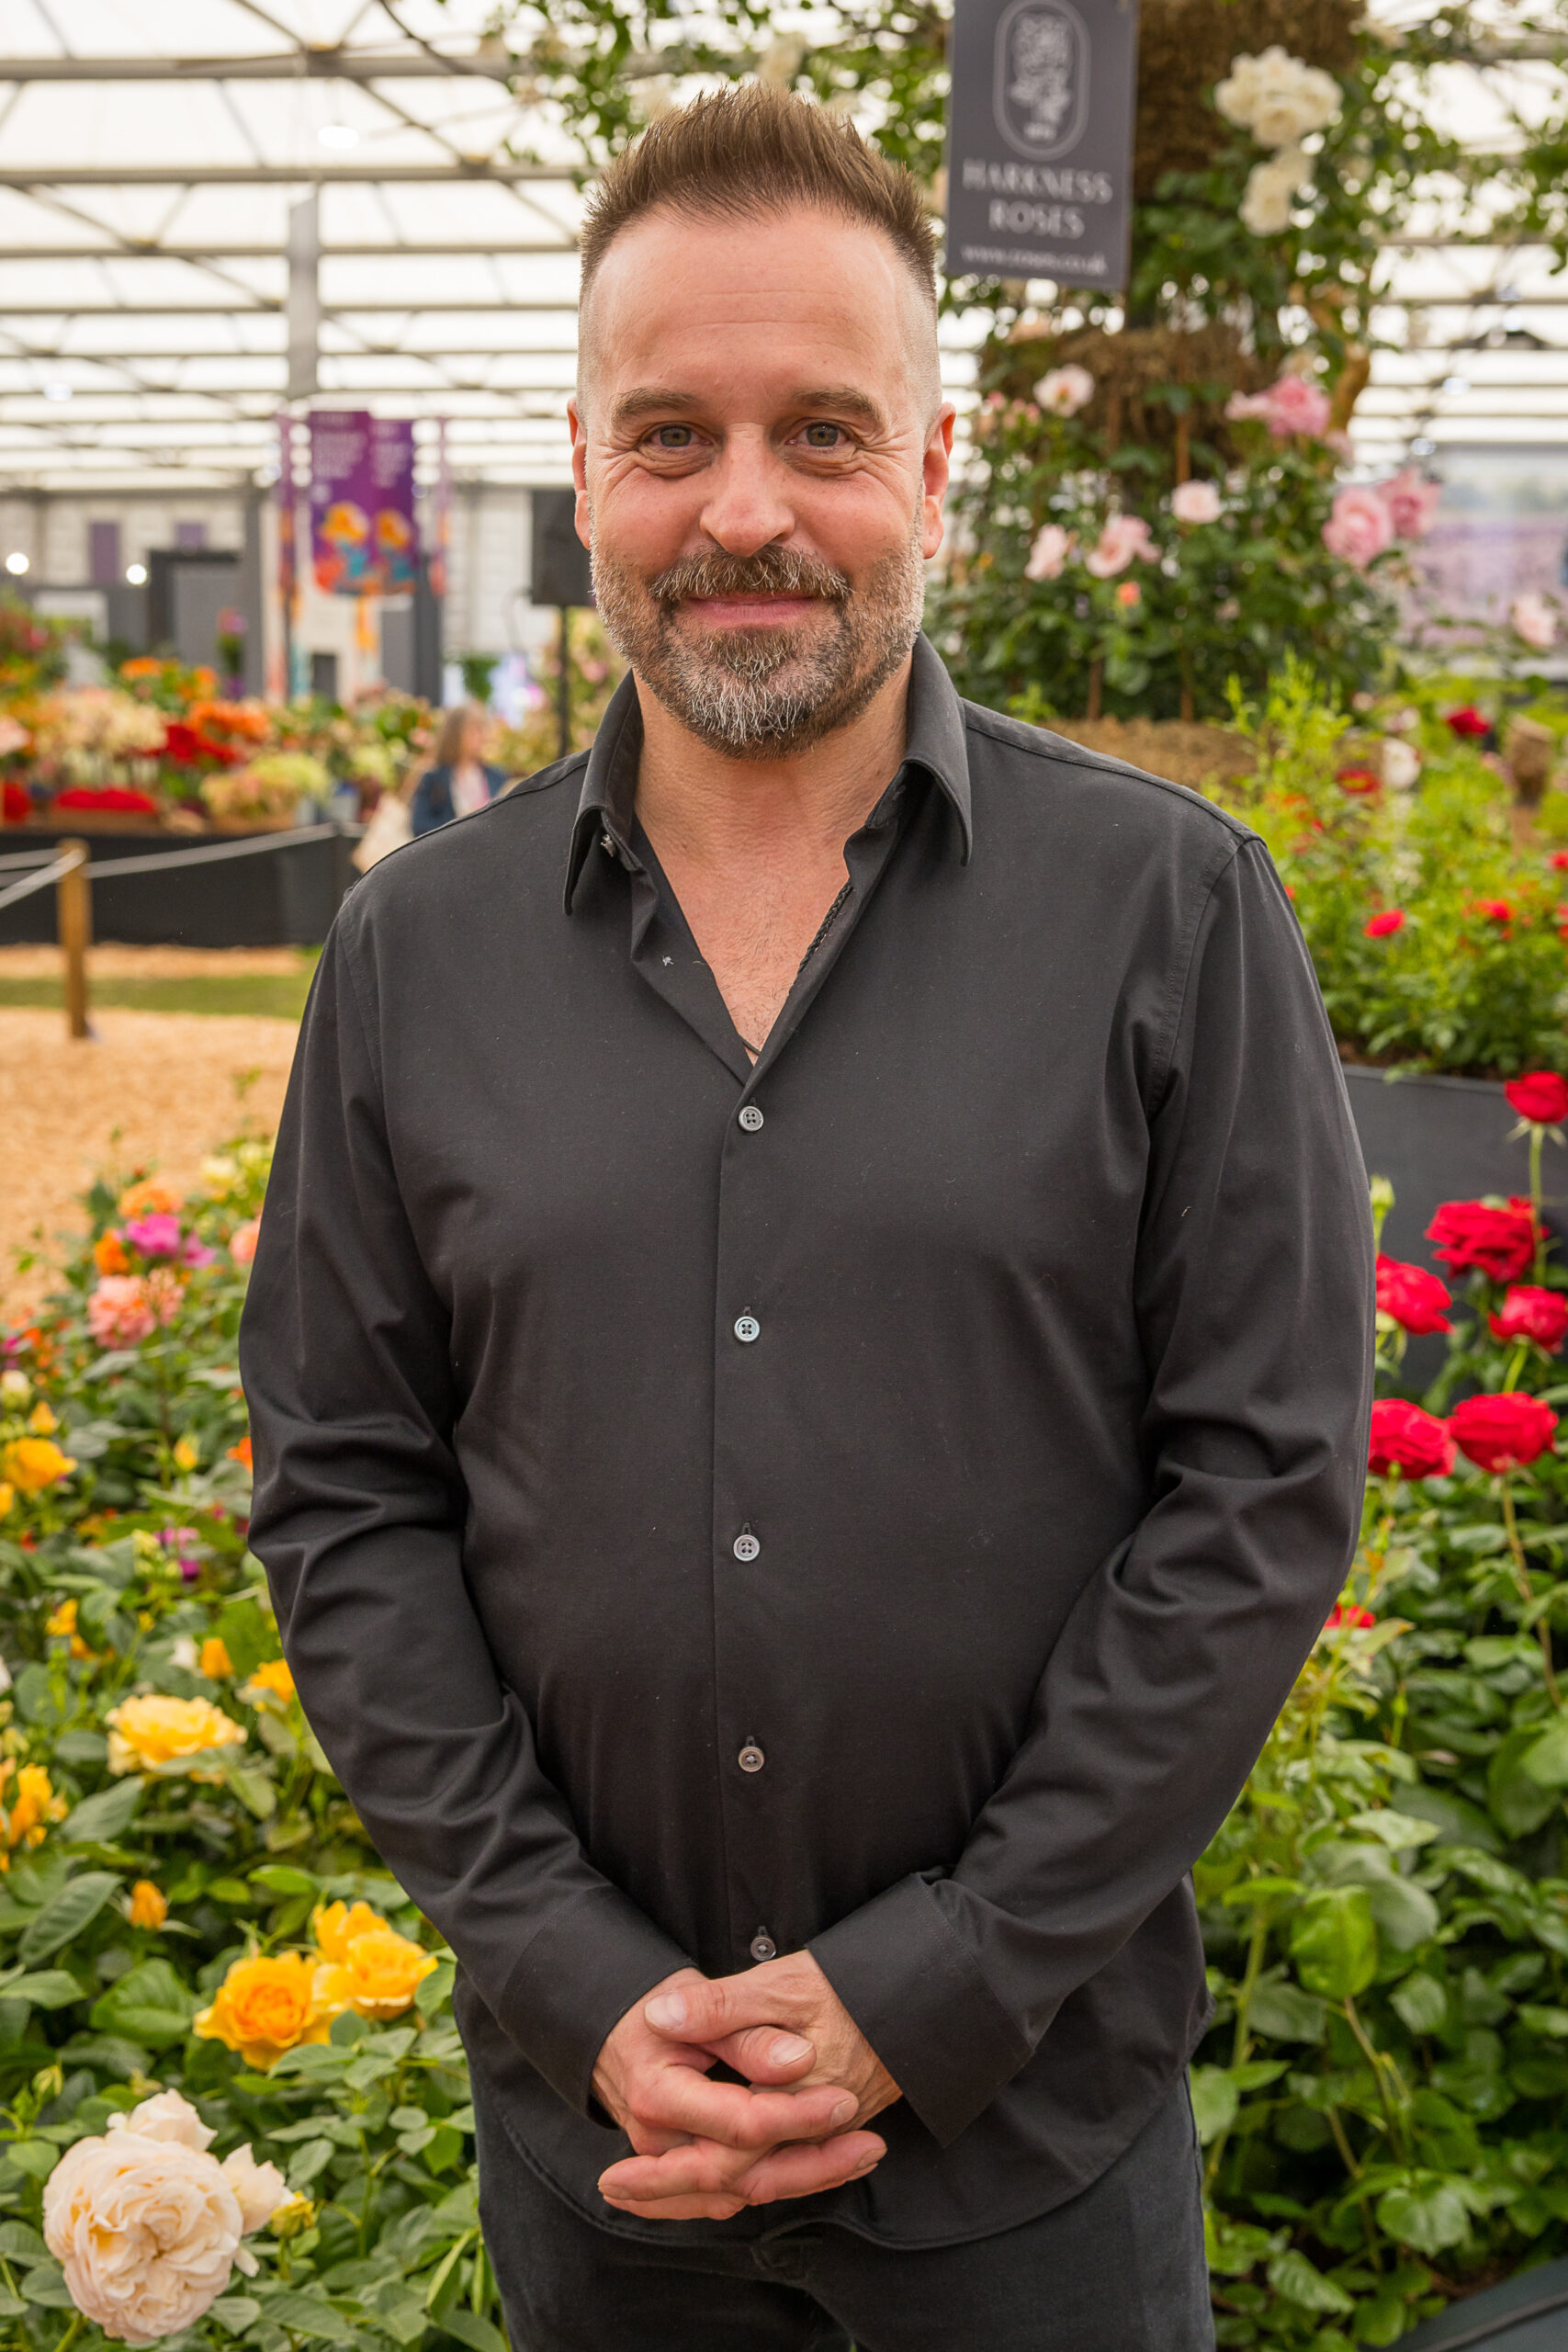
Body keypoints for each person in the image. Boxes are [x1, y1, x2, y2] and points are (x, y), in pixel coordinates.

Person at [239, 85, 1374, 2352]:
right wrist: (569, 1968)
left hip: (1022, 2150)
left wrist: (928, 1978)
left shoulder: (1165, 909)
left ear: (929, 472)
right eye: (669, 434)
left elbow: (1253, 1484)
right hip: (601, 2160)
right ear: (583, 473)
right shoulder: (411, 954)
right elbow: (348, 1494)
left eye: (822, 433)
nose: (742, 511)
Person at [408, 702, 509, 834]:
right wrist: (462, 819)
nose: (482, 736)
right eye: (475, 730)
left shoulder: (497, 775)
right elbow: (419, 827)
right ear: (456, 734)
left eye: (483, 729)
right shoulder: (434, 778)